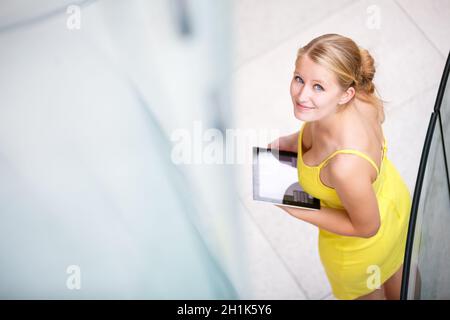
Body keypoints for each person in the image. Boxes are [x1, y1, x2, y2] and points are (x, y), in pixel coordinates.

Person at [268, 33, 412, 300]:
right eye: (299, 78)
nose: (302, 94)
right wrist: (291, 141)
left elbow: (367, 227)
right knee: (403, 285)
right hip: (396, 208)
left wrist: (297, 208)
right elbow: (319, 129)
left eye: (318, 87)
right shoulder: (362, 99)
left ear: (346, 94)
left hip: (360, 252)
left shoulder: (344, 165)